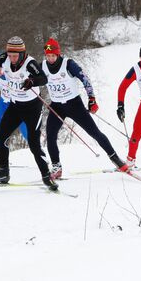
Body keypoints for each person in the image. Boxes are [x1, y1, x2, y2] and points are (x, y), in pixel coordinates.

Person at [0, 36, 58, 190]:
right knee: (1, 136)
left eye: (15, 56)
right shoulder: (6, 57)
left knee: (34, 144)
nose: (12, 59)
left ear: (22, 54)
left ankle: (47, 176)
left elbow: (43, 78)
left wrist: (32, 82)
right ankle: (3, 173)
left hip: (32, 108)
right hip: (15, 106)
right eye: (10, 55)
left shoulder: (30, 62)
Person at [41, 38, 128, 179]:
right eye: (48, 56)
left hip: (74, 105)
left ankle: (116, 159)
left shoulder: (68, 64)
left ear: (58, 54)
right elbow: (34, 79)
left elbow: (85, 79)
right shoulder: (43, 66)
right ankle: (56, 167)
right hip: (56, 106)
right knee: (50, 136)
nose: (50, 59)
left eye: (53, 55)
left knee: (94, 133)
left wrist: (92, 98)